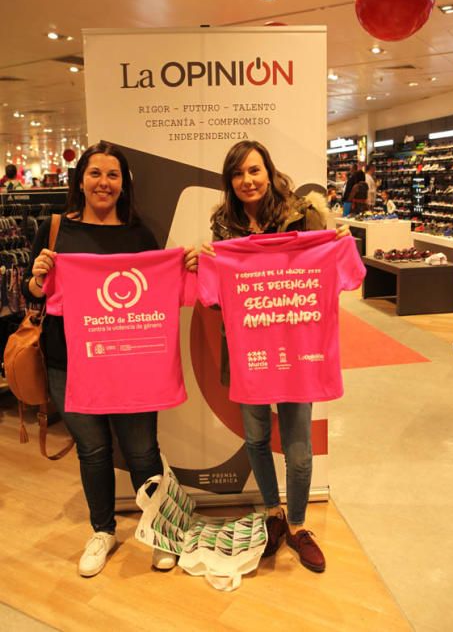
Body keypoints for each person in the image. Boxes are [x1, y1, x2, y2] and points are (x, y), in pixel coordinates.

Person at [22, 140, 198, 578]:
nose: (104, 183)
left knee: (141, 450)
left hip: (133, 360)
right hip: (69, 359)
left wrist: (187, 266)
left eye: (113, 175)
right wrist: (38, 280)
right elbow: (33, 293)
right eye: (95, 173)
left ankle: (159, 530)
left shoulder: (140, 234)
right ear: (80, 179)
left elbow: (159, 289)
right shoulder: (56, 228)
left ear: (124, 184)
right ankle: (102, 530)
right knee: (94, 450)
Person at [202, 140, 350, 574]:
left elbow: (334, 276)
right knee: (255, 437)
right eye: (238, 174)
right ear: (229, 182)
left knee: (300, 449)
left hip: (298, 347)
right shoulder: (224, 227)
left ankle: (300, 525)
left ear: (269, 170)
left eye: (254, 170)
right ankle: (273, 514)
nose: (247, 181)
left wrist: (339, 241)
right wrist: (209, 264)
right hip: (248, 349)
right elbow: (218, 301)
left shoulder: (304, 215)